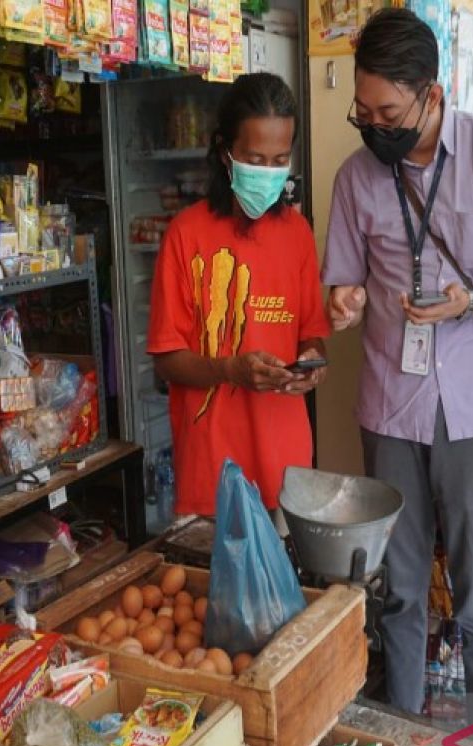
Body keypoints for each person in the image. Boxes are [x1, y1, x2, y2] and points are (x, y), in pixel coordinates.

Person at [323, 8, 473, 722]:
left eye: (387, 110)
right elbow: (342, 285)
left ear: (433, 92)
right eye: (362, 111)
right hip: (391, 403)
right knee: (397, 578)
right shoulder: (356, 176)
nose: (373, 125)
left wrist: (471, 302)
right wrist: (347, 302)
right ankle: (404, 726)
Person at [147, 73, 329, 518]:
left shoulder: (298, 234)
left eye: (279, 160)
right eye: (254, 158)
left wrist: (311, 367)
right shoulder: (185, 234)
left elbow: (313, 336)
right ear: (224, 152)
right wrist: (229, 369)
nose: (267, 172)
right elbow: (167, 358)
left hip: (286, 464)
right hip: (213, 469)